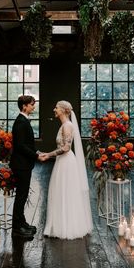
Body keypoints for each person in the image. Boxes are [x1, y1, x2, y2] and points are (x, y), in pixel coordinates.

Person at [40, 100, 93, 240]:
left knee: (66, 192)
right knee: (60, 192)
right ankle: (60, 224)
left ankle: (67, 226)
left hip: (67, 162)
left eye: (56, 107)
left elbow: (66, 148)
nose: (54, 109)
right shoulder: (64, 125)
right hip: (61, 162)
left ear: (63, 110)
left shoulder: (67, 126)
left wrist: (48, 155)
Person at [9, 95, 42, 238]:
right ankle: (17, 228)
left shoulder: (23, 120)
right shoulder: (21, 122)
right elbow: (20, 146)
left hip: (23, 164)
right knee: (21, 196)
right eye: (31, 104)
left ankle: (22, 223)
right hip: (21, 165)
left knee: (22, 195)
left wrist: (37, 152)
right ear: (24, 106)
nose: (33, 107)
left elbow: (27, 144)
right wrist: (36, 156)